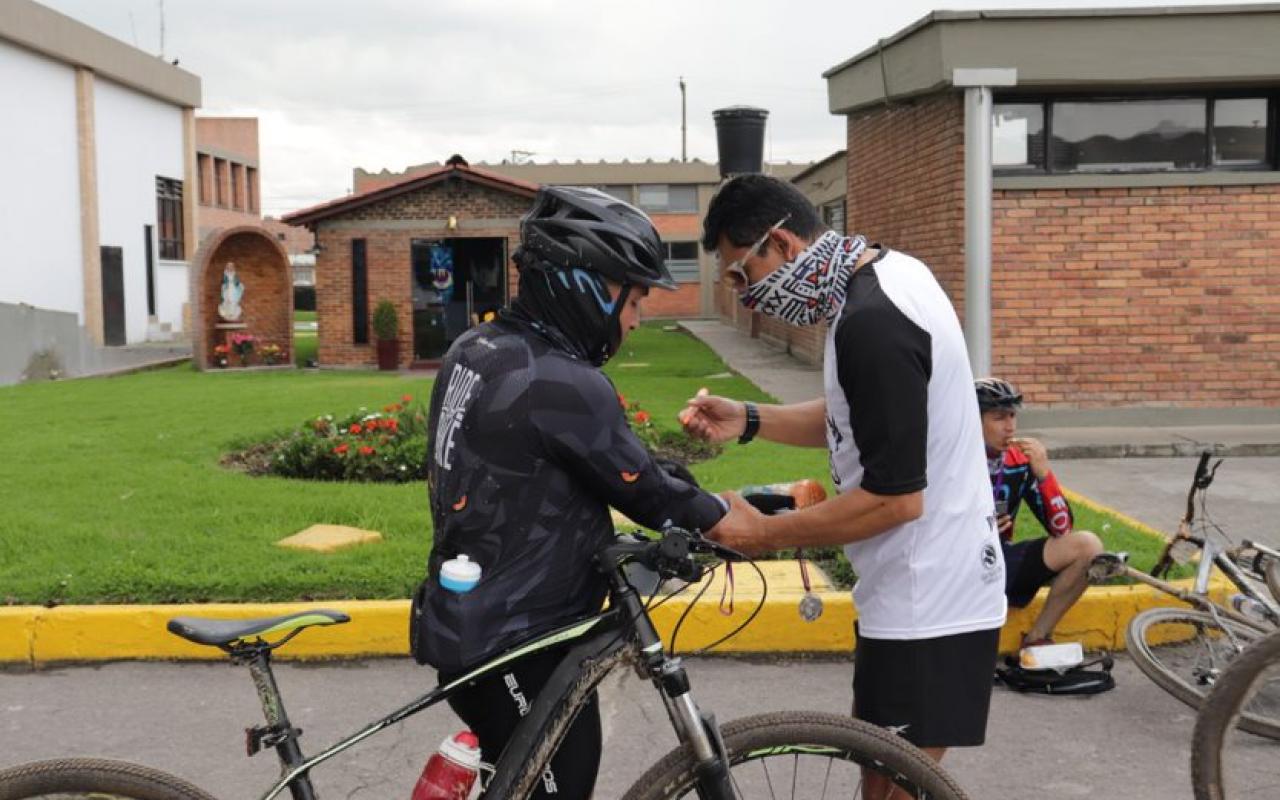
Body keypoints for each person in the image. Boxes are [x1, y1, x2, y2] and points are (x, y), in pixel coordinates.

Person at [682, 174, 1006, 798]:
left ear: (781, 244)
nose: (747, 299)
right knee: (880, 778)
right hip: (917, 584)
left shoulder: (872, 322)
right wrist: (749, 419)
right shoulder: (886, 278)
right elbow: (857, 418)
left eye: (741, 276)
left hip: (928, 595)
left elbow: (895, 498)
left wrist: (764, 534)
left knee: (894, 786)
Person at [414, 186, 730, 799]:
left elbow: (585, 464)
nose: (636, 319)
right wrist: (736, 518)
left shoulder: (479, 348)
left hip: (472, 618)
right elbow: (651, 494)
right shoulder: (558, 379)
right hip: (514, 641)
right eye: (633, 298)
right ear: (585, 284)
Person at [976, 377, 1104, 647]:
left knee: (1088, 546)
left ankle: (1037, 638)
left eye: (1012, 416)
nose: (1010, 427)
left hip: (998, 561)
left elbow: (1061, 529)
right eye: (999, 418)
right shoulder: (950, 459)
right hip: (955, 567)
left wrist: (1044, 474)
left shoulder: (1018, 461)